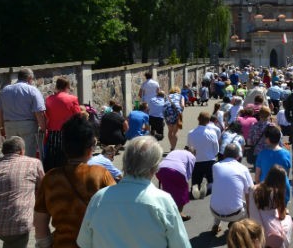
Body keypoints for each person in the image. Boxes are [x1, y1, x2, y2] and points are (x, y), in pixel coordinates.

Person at [77, 136, 191, 247]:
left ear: (125, 162)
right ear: (154, 168)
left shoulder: (99, 198)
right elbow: (181, 244)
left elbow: (84, 242)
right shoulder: (163, 201)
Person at [34, 114, 116, 248]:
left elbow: (40, 223)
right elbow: (115, 212)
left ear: (64, 147)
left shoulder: (50, 178)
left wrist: (45, 244)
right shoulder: (101, 174)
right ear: (90, 149)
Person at [0, 136, 44, 248]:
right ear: (21, 151)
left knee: (10, 242)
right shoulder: (34, 163)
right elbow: (44, 189)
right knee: (16, 240)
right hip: (18, 222)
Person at [0, 68, 46, 158]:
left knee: (12, 154)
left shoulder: (5, 90)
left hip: (9, 125)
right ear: (29, 78)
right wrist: (43, 127)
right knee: (28, 154)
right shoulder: (32, 90)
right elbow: (38, 111)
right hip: (28, 125)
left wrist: (1, 127)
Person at [247, 166, 293, 248]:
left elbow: (249, 207)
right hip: (269, 231)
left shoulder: (252, 189)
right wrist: (286, 212)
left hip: (254, 226)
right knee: (288, 219)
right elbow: (281, 216)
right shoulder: (276, 193)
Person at [211, 144, 255, 234]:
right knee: (246, 204)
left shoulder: (215, 166)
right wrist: (250, 215)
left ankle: (216, 224)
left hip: (214, 211)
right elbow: (250, 192)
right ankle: (236, 224)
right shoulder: (243, 169)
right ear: (238, 156)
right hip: (234, 214)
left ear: (224, 155)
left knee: (221, 194)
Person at [43, 77, 81, 171]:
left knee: (53, 156)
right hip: (68, 132)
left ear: (56, 86)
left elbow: (46, 115)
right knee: (68, 155)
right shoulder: (72, 99)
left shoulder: (48, 99)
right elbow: (78, 115)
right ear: (67, 86)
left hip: (53, 132)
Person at [156, 147, 196, 221]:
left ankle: (165, 211)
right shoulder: (192, 156)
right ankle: (179, 213)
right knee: (182, 193)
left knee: (167, 191)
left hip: (161, 169)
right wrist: (185, 183)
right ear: (193, 153)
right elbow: (189, 172)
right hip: (177, 171)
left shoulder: (175, 151)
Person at [255, 125, 291, 203]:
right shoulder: (287, 153)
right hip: (283, 190)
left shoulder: (262, 154)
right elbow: (287, 174)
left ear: (268, 139)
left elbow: (257, 177)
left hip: (267, 191)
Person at [188, 112, 220, 199]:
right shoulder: (212, 133)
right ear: (208, 121)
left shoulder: (190, 133)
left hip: (197, 161)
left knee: (195, 183)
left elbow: (191, 148)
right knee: (212, 182)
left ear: (198, 119)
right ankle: (207, 190)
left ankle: (196, 192)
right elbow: (216, 149)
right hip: (210, 161)